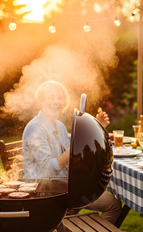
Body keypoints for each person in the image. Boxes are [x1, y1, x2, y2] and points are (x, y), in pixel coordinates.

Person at [22, 81, 122, 224]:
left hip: (64, 187)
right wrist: (73, 149)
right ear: (41, 100)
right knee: (112, 206)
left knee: (113, 204)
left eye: (60, 97)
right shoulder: (35, 129)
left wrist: (98, 128)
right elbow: (49, 168)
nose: (56, 101)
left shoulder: (60, 127)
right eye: (51, 97)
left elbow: (73, 162)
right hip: (44, 192)